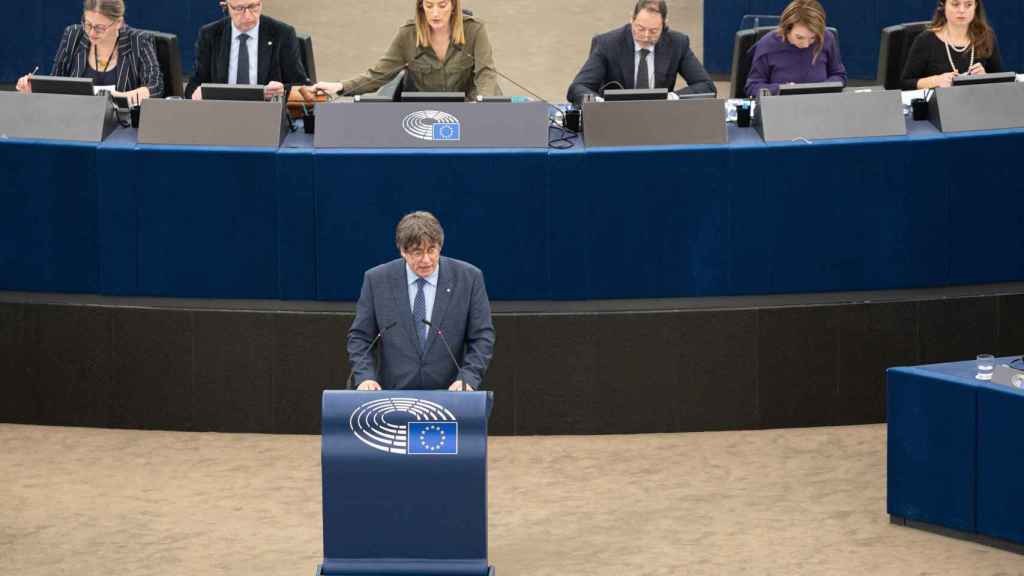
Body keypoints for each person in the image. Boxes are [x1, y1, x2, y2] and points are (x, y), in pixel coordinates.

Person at [348, 212, 495, 391]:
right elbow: (360, 337)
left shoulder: (468, 279)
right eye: (417, 252)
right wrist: (365, 377)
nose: (426, 260)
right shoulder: (377, 280)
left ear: (440, 247)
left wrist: (468, 378)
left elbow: (482, 337)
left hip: (451, 398)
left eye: (431, 250)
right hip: (393, 397)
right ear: (402, 251)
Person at [312, 0, 501, 101]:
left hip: (469, 110)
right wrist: (340, 87)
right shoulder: (407, 35)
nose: (435, 13)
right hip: (425, 117)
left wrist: (482, 106)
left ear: (453, 6)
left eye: (442, 5)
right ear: (421, 7)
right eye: (429, 5)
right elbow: (379, 74)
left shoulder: (475, 30)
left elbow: (486, 74)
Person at [566, 0, 715, 105]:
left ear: (665, 24)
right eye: (640, 28)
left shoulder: (678, 43)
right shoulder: (607, 43)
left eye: (654, 31)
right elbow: (577, 88)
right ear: (631, 19)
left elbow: (706, 86)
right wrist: (600, 103)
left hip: (659, 117)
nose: (645, 36)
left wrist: (673, 97)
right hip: (616, 117)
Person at [15, 0, 162, 106]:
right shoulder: (73, 35)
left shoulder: (139, 41)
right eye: (88, 24)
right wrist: (35, 89)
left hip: (123, 126)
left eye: (99, 28)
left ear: (119, 23)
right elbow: (56, 82)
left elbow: (155, 87)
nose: (91, 33)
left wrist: (116, 98)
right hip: (75, 120)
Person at [185, 0, 308, 100]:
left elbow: (302, 86)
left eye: (253, 6)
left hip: (266, 114)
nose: (248, 15)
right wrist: (197, 93)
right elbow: (194, 85)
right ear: (225, 6)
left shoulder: (282, 33)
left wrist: (281, 90)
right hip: (221, 114)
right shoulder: (210, 34)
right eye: (239, 9)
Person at [744, 0, 847, 97]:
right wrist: (781, 89)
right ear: (786, 29)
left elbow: (839, 75)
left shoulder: (826, 38)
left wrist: (822, 89)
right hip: (780, 107)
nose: (806, 44)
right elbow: (752, 87)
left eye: (812, 38)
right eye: (799, 37)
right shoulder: (767, 44)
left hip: (820, 106)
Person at [901, 0, 1002, 90]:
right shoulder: (925, 40)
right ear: (943, 5)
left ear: (975, 6)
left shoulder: (986, 37)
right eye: (955, 4)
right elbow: (905, 84)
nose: (962, 10)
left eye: (968, 5)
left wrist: (985, 78)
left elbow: (1002, 82)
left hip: (977, 105)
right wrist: (935, 81)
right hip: (938, 108)